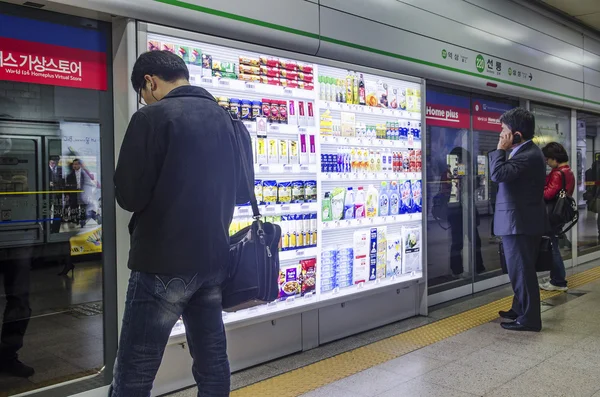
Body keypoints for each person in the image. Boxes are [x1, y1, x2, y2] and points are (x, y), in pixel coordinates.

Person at [111, 50, 241, 397]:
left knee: (135, 370)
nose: (144, 99)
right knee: (213, 364)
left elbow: (129, 196)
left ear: (150, 82)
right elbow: (243, 191)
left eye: (142, 92)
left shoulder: (151, 118)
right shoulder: (228, 120)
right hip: (213, 261)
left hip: (160, 264)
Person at [490, 107, 547, 332]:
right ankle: (520, 308)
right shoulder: (527, 152)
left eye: (504, 131)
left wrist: (499, 150)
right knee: (520, 270)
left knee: (522, 272)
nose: (500, 135)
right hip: (521, 221)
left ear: (516, 135)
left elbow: (497, 175)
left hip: (520, 223)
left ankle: (530, 318)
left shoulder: (528, 155)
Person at [540, 142, 574, 292]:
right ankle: (556, 278)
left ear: (554, 158)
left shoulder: (557, 173)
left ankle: (559, 281)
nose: (547, 162)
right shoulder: (569, 171)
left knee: (552, 246)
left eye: (548, 159)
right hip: (561, 212)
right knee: (553, 244)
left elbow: (547, 194)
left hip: (552, 213)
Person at [48, 156, 64, 234]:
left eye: (56, 161)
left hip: (58, 194)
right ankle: (47, 229)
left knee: (58, 213)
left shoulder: (61, 169)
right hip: (48, 195)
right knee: (46, 212)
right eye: (53, 161)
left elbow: (63, 181)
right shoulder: (44, 169)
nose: (55, 162)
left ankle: (55, 230)